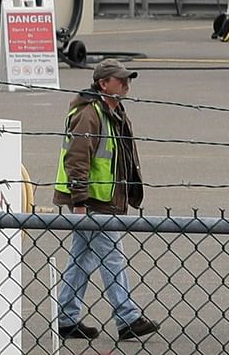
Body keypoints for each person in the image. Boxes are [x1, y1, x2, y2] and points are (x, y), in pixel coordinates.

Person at [52, 57, 159, 341]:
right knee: (112, 256)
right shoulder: (90, 114)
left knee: (82, 258)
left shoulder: (114, 111)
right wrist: (79, 201)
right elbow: (77, 159)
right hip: (92, 201)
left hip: (101, 200)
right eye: (121, 79)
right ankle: (128, 318)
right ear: (103, 83)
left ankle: (66, 317)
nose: (126, 83)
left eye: (127, 78)